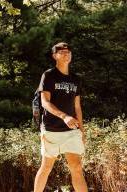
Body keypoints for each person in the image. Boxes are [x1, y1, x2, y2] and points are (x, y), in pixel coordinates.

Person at [33, 42, 88, 192]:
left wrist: (81, 130)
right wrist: (64, 116)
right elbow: (44, 102)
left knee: (76, 167)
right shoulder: (49, 75)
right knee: (46, 167)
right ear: (54, 56)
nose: (66, 54)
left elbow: (77, 107)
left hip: (71, 131)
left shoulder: (75, 79)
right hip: (51, 130)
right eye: (62, 52)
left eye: (68, 51)